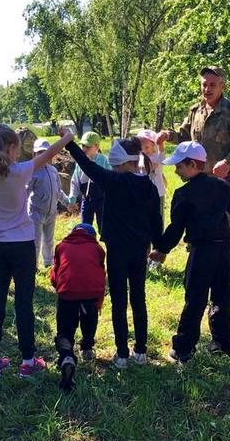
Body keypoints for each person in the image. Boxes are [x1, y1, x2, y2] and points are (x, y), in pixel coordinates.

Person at [0, 124, 75, 381]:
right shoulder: (18, 172)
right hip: (22, 245)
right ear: (9, 148)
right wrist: (68, 136)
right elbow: (48, 154)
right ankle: (28, 362)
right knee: (23, 303)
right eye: (16, 148)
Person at [65, 136, 162, 369]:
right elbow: (156, 221)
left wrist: (69, 142)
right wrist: (160, 247)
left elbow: (86, 165)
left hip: (117, 250)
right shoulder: (149, 186)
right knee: (138, 298)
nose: (114, 168)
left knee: (119, 301)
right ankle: (141, 351)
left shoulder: (114, 181)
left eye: (116, 165)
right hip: (140, 250)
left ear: (123, 163)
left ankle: (122, 354)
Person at [149, 142, 230, 364]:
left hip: (202, 251)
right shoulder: (221, 185)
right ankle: (222, 344)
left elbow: (176, 228)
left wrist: (162, 249)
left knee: (194, 299)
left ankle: (183, 349)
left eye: (179, 166)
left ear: (192, 165)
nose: (176, 171)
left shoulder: (183, 194)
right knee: (222, 297)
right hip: (224, 250)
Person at [161, 66, 230, 259]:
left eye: (212, 85)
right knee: (197, 225)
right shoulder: (196, 110)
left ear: (222, 86)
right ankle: (197, 261)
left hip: (223, 183)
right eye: (204, 84)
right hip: (198, 183)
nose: (207, 89)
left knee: (226, 227)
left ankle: (228, 267)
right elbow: (184, 136)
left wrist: (228, 161)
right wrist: (168, 135)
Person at [50, 223, 106, 391]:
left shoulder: (62, 246)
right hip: (90, 293)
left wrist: (59, 287)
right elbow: (100, 272)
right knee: (89, 320)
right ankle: (87, 347)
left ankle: (67, 355)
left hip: (67, 293)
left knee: (65, 329)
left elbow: (55, 273)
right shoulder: (98, 249)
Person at [28, 138, 70, 268]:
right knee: (35, 242)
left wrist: (67, 202)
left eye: (45, 152)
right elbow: (25, 192)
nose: (43, 155)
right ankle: (33, 266)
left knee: (49, 241)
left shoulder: (53, 171)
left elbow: (58, 191)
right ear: (35, 154)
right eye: (39, 153)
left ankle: (48, 264)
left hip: (51, 212)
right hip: (36, 212)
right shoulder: (32, 171)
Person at [68, 131, 110, 231]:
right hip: (87, 200)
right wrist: (72, 200)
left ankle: (106, 240)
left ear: (96, 146)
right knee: (85, 227)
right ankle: (86, 240)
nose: (84, 149)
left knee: (104, 227)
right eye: (83, 146)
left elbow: (111, 180)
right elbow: (75, 181)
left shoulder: (104, 161)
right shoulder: (80, 163)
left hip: (102, 200)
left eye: (87, 146)